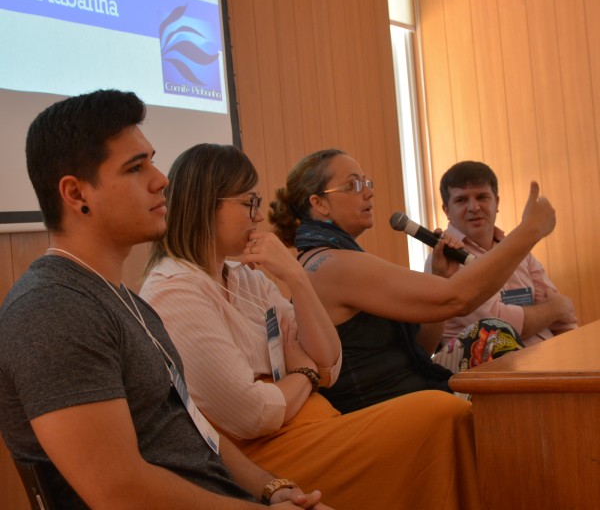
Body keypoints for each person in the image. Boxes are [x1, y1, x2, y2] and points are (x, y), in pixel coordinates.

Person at [0, 90, 333, 509]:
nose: (161, 180)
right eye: (136, 167)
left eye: (151, 160)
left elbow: (195, 427)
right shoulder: (51, 311)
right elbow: (120, 492)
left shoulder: (126, 302)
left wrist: (274, 489)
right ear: (76, 194)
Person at [140, 143, 484, 510]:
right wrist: (304, 372)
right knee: (440, 414)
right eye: (248, 203)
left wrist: (295, 277)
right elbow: (253, 412)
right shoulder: (174, 289)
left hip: (316, 425)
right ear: (206, 205)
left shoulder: (247, 279)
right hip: (270, 453)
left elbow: (331, 364)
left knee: (449, 414)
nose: (257, 217)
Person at [268, 148, 557, 414]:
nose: (368, 193)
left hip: (408, 390)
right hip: (385, 411)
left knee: (491, 335)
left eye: (367, 183)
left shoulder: (333, 257)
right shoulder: (330, 265)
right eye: (354, 185)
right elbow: (456, 298)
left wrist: (440, 275)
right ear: (319, 203)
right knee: (492, 335)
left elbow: (422, 345)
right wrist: (530, 230)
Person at [424, 160, 577, 347]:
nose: (473, 207)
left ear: (496, 202)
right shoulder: (444, 259)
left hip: (549, 357)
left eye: (481, 197)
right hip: (494, 370)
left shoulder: (517, 250)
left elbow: (565, 319)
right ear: (446, 210)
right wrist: (555, 309)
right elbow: (499, 328)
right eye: (461, 200)